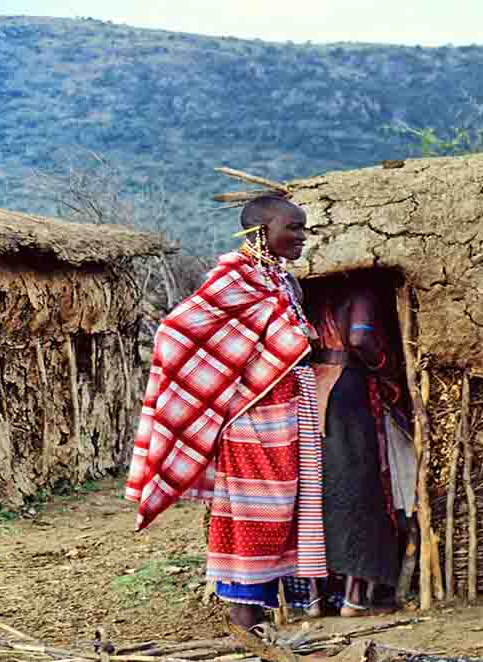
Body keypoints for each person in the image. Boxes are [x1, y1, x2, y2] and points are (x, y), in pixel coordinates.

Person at [126, 195, 326, 629]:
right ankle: (245, 627)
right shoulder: (234, 279)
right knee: (254, 516)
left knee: (286, 513)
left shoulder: (283, 282)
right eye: (292, 227)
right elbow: (177, 331)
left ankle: (261, 629)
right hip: (253, 420)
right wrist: (230, 393)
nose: (301, 237)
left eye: (303, 228)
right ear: (259, 231)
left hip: (291, 413)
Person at [305, 274, 407, 616]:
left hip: (312, 387)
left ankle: (315, 599)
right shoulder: (360, 290)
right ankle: (353, 598)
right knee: (359, 488)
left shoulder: (310, 294)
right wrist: (384, 366)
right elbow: (359, 337)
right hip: (347, 388)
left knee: (317, 491)